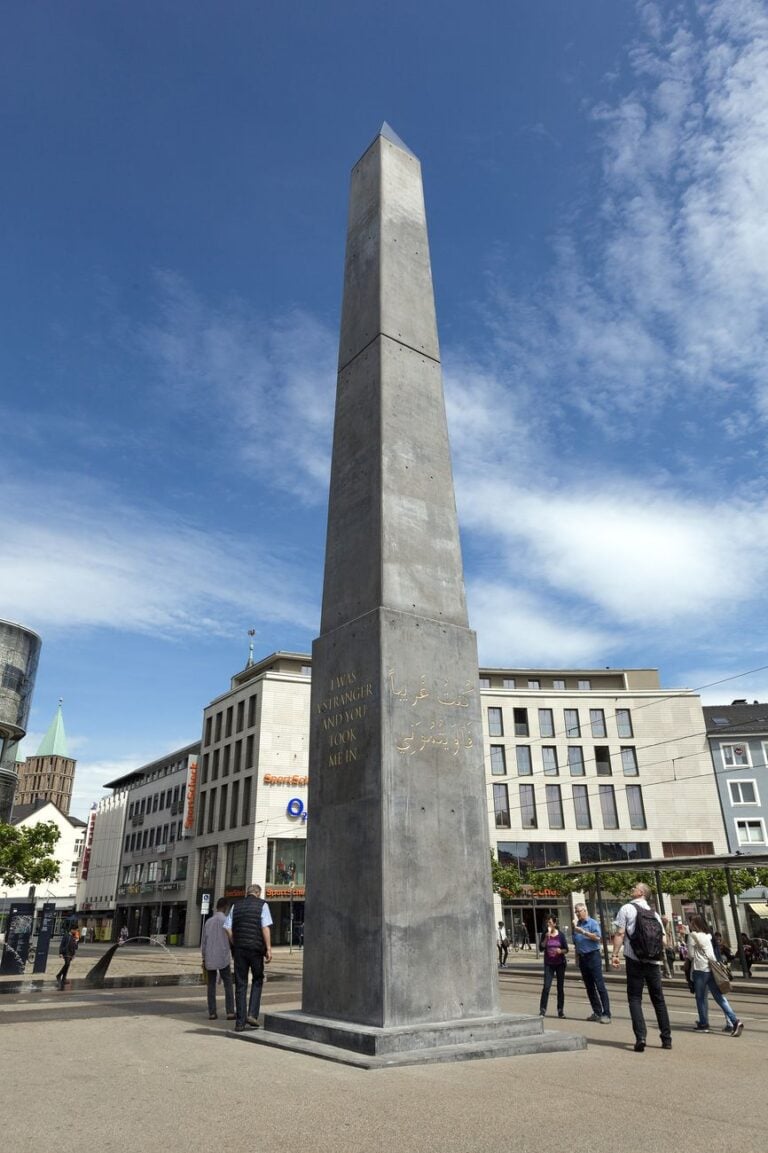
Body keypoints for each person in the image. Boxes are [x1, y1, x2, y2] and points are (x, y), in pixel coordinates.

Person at [611, 882, 672, 1052]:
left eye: (635, 888)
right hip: (653, 961)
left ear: (641, 893)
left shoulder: (626, 909)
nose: (632, 889)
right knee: (658, 999)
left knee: (635, 998)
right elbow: (665, 942)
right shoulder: (654, 914)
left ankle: (641, 1037)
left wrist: (615, 954)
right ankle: (666, 1038)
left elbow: (620, 933)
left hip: (634, 959)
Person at [225, 883, 273, 1032]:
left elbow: (227, 927)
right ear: (258, 893)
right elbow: (265, 927)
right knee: (257, 979)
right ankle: (252, 1014)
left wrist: (235, 941)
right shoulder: (262, 905)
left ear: (248, 893)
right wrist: (269, 948)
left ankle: (239, 1023)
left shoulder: (236, 906)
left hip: (240, 950)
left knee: (240, 983)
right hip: (256, 949)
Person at [687, 914, 744, 1036]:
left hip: (700, 969)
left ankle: (704, 1024)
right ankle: (735, 1021)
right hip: (711, 969)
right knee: (719, 997)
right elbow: (711, 954)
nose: (689, 924)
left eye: (691, 922)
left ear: (694, 924)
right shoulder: (707, 936)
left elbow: (691, 955)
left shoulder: (692, 936)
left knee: (700, 998)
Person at [572, 902, 610, 1023]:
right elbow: (577, 943)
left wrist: (582, 931)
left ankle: (606, 1013)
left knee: (599, 985)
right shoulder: (577, 924)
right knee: (589, 987)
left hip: (593, 956)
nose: (577, 914)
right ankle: (597, 1012)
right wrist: (577, 958)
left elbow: (598, 937)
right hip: (583, 957)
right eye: (576, 911)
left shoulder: (592, 923)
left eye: (578, 911)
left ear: (585, 910)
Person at [201, 897, 235, 1021]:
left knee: (211, 985)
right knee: (228, 985)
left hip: (210, 957)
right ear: (225, 907)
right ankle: (230, 1012)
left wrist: (204, 957)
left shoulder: (208, 922)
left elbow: (204, 942)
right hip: (223, 957)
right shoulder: (227, 921)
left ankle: (212, 1012)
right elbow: (231, 939)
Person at [539, 916, 568, 1018]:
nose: (548, 925)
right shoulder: (545, 934)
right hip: (549, 964)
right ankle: (542, 1009)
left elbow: (566, 949)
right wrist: (546, 937)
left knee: (560, 988)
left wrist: (561, 951)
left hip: (560, 964)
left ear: (555, 924)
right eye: (547, 923)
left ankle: (560, 1010)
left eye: (550, 923)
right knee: (546, 987)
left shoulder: (561, 935)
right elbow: (541, 948)